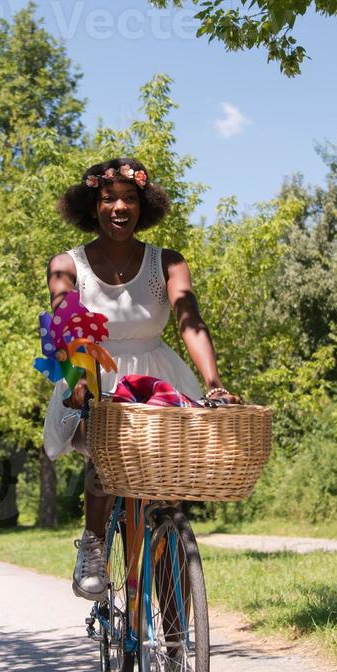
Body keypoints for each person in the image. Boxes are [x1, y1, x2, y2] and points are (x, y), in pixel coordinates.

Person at [41, 158, 238, 600]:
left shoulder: (167, 262)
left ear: (142, 205)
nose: (119, 207)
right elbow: (65, 318)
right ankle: (92, 547)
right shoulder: (67, 264)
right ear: (92, 206)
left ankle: (172, 627)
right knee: (104, 458)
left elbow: (189, 320)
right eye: (108, 198)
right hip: (91, 372)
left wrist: (213, 383)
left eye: (129, 198)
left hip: (157, 380)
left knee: (165, 493)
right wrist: (79, 379)